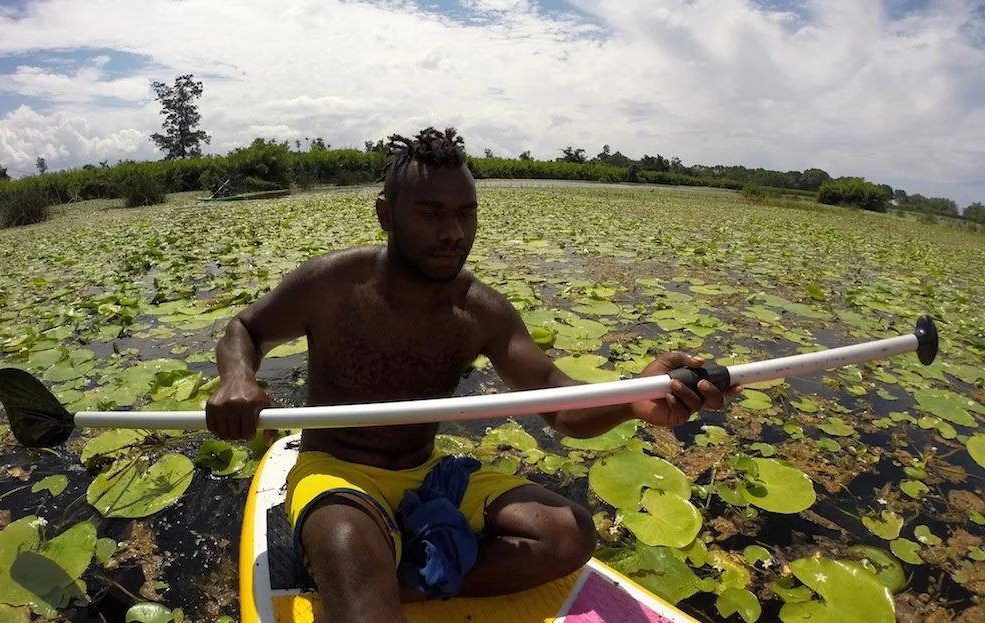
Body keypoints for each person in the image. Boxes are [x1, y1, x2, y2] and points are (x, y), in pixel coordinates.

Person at [205, 127, 737, 622]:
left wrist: (632, 399)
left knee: (568, 535)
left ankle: (395, 586)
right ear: (386, 215)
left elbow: (555, 400)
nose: (453, 232)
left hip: (426, 471)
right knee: (345, 541)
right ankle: (361, 577)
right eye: (431, 213)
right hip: (338, 469)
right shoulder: (334, 283)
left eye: (466, 213)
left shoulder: (481, 311)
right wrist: (236, 378)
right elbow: (245, 331)